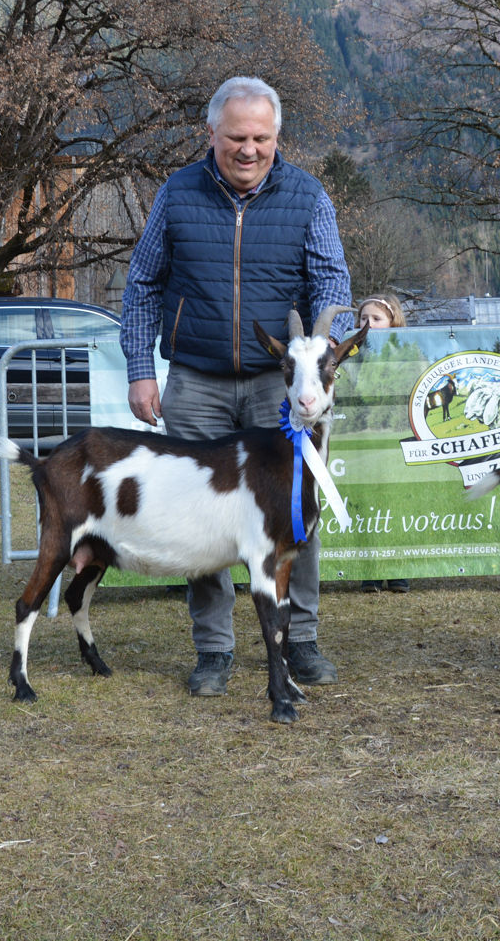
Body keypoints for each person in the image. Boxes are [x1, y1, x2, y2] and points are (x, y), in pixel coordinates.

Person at [121, 75, 353, 697]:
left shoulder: (308, 196)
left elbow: (332, 279)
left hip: (281, 388)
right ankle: (215, 649)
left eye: (261, 137)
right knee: (200, 513)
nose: (248, 149)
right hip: (195, 381)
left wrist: (326, 346)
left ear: (278, 136)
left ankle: (299, 640)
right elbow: (142, 284)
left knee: (295, 514)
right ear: (211, 134)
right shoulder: (177, 193)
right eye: (236, 137)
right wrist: (141, 369)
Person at [355, 293, 409, 593]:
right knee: (368, 504)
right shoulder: (354, 356)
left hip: (397, 441)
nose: (368, 324)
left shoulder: (404, 353)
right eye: (363, 319)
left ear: (393, 322)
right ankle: (370, 571)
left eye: (376, 319)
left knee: (396, 502)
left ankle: (399, 570)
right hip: (364, 443)